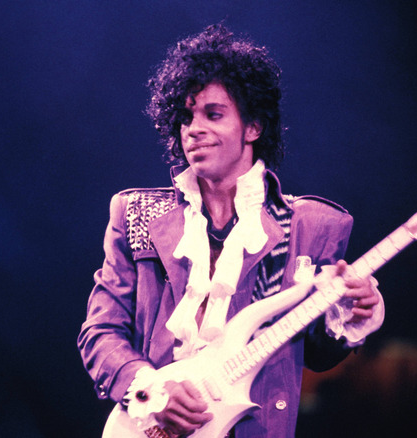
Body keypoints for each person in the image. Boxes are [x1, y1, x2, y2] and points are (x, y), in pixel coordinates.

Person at [78, 23, 384, 437]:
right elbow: (100, 332)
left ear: (253, 127)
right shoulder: (137, 214)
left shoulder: (309, 226)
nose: (193, 129)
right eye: (185, 117)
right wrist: (152, 389)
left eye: (213, 114)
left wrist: (350, 314)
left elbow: (316, 352)